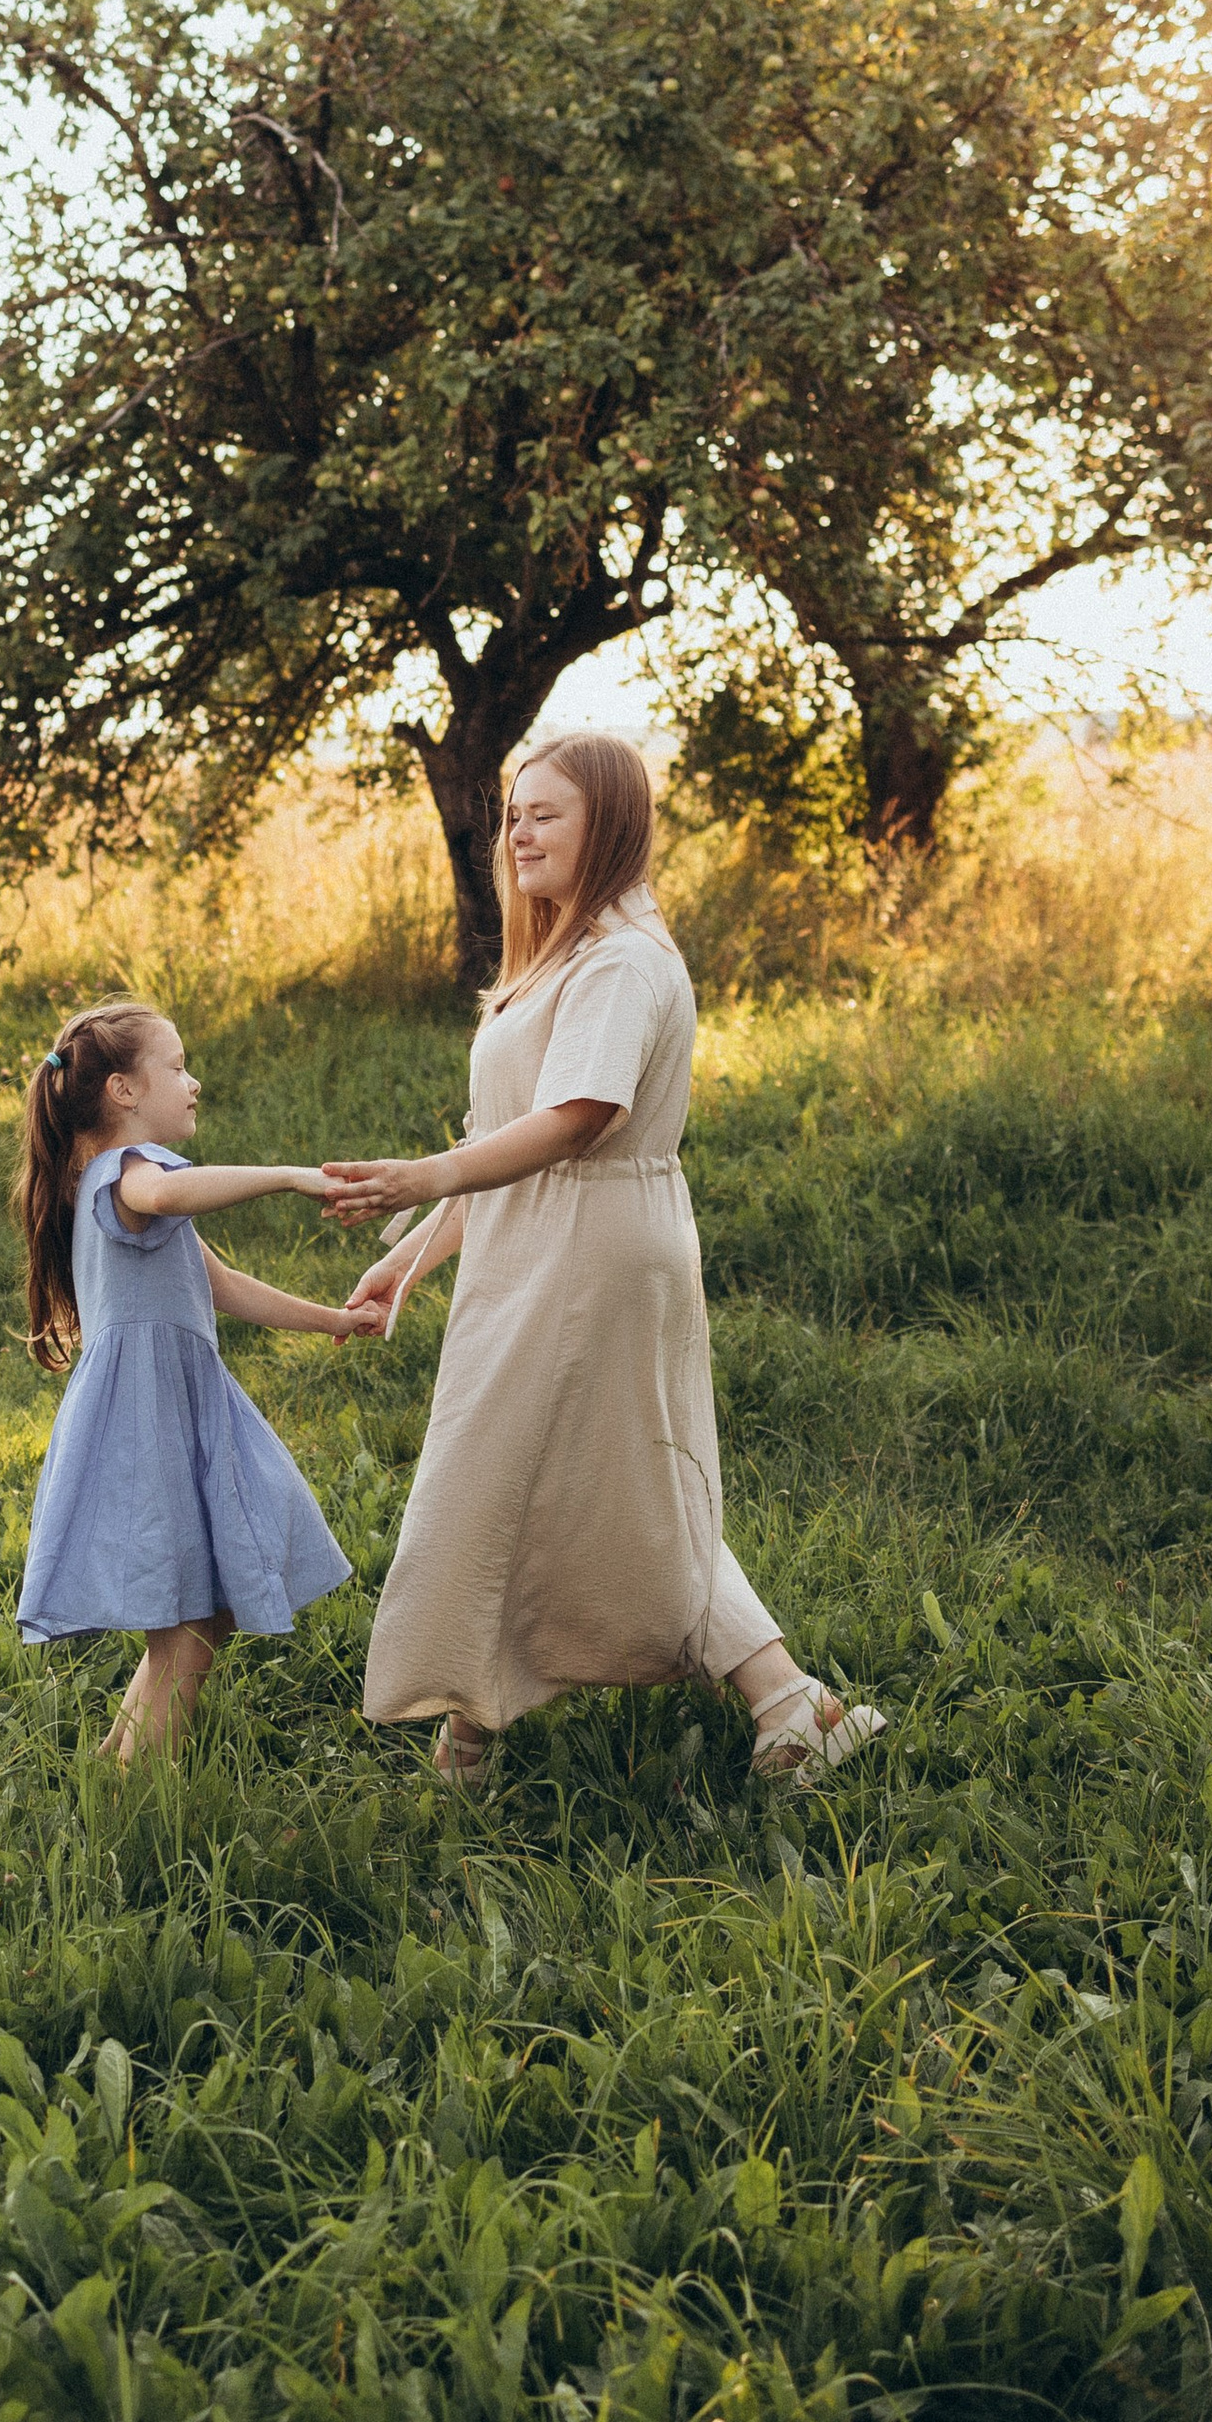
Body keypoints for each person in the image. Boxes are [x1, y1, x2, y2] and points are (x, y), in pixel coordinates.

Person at [323, 734, 884, 1792]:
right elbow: (514, 1128)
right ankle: (784, 1701)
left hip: (593, 1249)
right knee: (594, 1486)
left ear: (609, 827)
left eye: (548, 814)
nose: (519, 832)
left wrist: (420, 1179)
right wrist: (418, 1258)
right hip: (537, 1240)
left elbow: (581, 1119)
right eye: (514, 813)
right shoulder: (563, 957)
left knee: (496, 1477)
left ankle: (471, 1740)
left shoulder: (622, 960)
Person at [13, 997, 381, 1760]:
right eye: (177, 1068)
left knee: (199, 1617)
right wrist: (288, 1176)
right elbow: (165, 1192)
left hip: (172, 1408)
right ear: (123, 1092)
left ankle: (118, 1775)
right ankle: (140, 1803)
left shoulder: (108, 1186)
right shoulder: (125, 1175)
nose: (194, 1083)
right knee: (187, 1624)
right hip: (148, 1420)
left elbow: (222, 1284)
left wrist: (333, 1320)